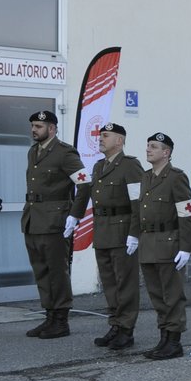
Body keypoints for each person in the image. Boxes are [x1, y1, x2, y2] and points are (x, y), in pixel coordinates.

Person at [22, 109, 91, 340]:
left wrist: (74, 215)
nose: (34, 130)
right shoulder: (34, 152)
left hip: (55, 221)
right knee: (41, 271)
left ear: (52, 128)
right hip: (33, 219)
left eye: (39, 127)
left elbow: (85, 184)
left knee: (57, 272)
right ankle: (50, 316)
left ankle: (61, 320)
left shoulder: (64, 153)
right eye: (32, 126)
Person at [80, 122, 144, 351]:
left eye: (105, 136)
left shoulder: (130, 166)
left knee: (125, 282)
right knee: (109, 282)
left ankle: (126, 329)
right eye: (100, 135)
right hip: (103, 230)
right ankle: (115, 324)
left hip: (122, 230)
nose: (100, 139)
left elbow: (138, 203)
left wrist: (134, 234)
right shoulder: (99, 167)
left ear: (119, 140)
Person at [137, 132, 191, 360]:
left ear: (166, 152)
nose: (148, 150)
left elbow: (187, 214)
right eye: (148, 145)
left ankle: (174, 341)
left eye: (154, 146)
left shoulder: (175, 177)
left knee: (172, 295)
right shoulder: (146, 177)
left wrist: (186, 246)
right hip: (148, 243)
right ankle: (163, 337)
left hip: (168, 242)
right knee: (156, 295)